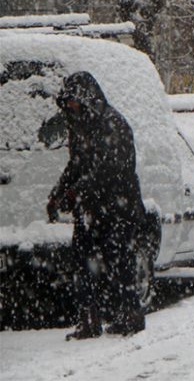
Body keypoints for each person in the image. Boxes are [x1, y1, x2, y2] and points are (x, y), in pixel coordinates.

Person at [46, 71, 147, 339]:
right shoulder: (80, 126)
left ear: (87, 98)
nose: (70, 107)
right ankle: (89, 320)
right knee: (83, 262)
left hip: (117, 207)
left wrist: (76, 191)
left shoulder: (113, 124)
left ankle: (130, 315)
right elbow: (77, 164)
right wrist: (58, 193)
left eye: (74, 101)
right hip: (89, 208)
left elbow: (112, 169)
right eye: (67, 102)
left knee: (119, 262)